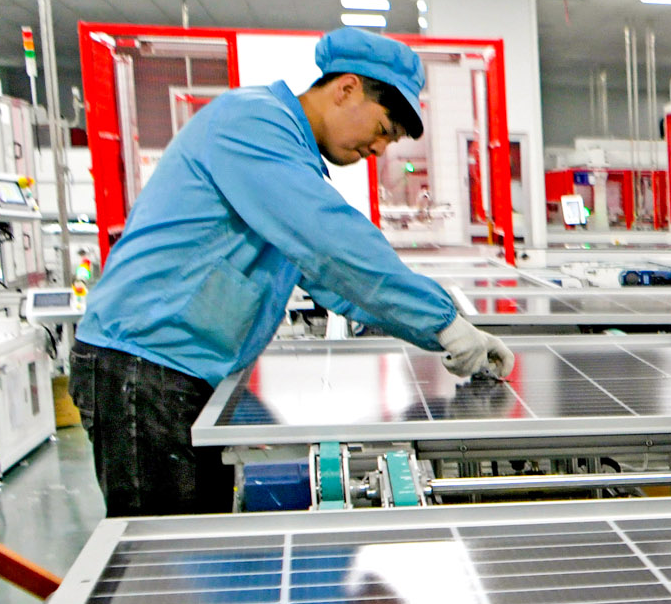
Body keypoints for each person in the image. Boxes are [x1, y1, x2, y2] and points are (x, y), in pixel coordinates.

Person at [71, 27, 515, 516]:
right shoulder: (253, 123)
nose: (380, 148)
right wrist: (441, 320)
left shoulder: (289, 150)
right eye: (384, 129)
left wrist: (445, 330)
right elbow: (332, 243)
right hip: (146, 370)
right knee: (166, 563)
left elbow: (328, 279)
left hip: (180, 372)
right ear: (347, 88)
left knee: (200, 547)